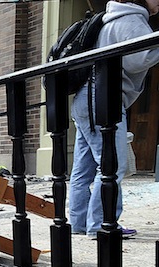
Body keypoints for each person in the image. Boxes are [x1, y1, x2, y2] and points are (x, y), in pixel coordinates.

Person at [68, 0, 159, 240]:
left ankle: (79, 222)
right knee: (112, 165)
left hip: (85, 99)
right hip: (104, 99)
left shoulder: (110, 18)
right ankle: (102, 225)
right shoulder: (131, 18)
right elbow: (138, 59)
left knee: (84, 169)